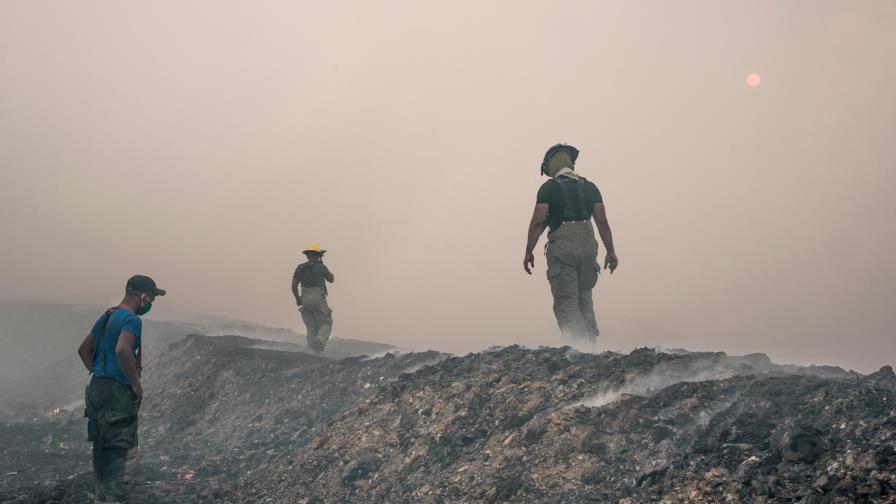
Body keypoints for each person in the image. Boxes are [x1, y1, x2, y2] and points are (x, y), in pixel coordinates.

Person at [76, 275, 166, 503]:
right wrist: (135, 383)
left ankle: (101, 497)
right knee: (119, 454)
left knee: (102, 450)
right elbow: (122, 350)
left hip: (96, 389)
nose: (151, 303)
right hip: (117, 393)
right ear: (143, 296)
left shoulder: (107, 316)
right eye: (152, 298)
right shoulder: (132, 320)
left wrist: (101, 373)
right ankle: (112, 499)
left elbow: (83, 350)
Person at [524, 144, 618, 344]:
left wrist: (528, 251)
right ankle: (592, 346)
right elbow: (601, 222)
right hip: (588, 247)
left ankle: (578, 348)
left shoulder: (549, 188)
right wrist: (611, 252)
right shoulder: (590, 187)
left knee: (567, 300)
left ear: (552, 166)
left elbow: (538, 222)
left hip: (563, 248)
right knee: (584, 296)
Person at [291, 244, 335, 354]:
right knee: (326, 322)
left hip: (305, 297)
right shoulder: (321, 267)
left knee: (311, 325)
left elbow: (293, 285)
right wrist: (322, 265)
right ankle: (320, 340)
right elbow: (331, 279)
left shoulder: (300, 267)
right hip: (318, 297)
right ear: (318, 255)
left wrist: (297, 299)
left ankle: (311, 350)